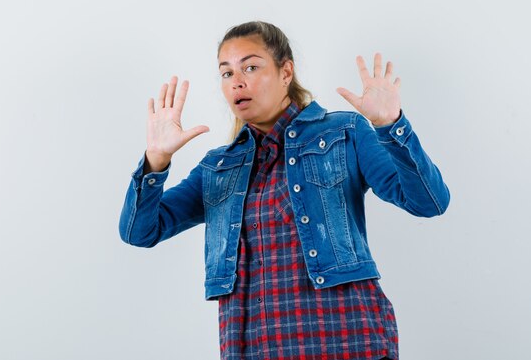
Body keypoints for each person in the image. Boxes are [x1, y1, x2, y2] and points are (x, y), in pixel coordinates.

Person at [119, 21, 450, 360]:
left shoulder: (344, 132)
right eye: (227, 73)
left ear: (285, 72)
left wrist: (390, 125)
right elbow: (139, 232)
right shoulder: (218, 168)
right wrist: (155, 161)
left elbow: (429, 201)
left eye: (251, 66)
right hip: (254, 346)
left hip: (347, 341)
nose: (238, 81)